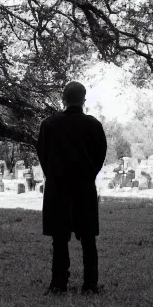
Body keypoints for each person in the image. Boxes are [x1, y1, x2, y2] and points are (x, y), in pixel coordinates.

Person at [36, 81, 107, 295]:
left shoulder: (49, 124)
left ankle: (58, 284)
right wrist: (88, 174)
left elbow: (43, 154)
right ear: (83, 100)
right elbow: (100, 154)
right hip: (84, 186)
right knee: (87, 238)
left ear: (63, 99)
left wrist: (54, 175)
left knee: (59, 237)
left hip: (58, 186)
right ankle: (90, 284)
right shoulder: (93, 125)